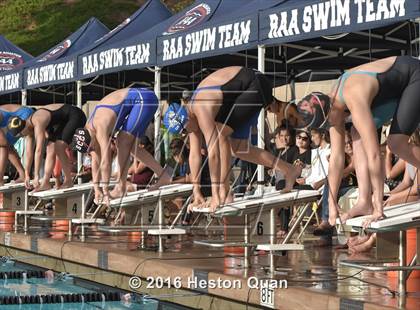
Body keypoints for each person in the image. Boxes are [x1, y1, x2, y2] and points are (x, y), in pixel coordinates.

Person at [295, 56, 420, 227]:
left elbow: (374, 154)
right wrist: (331, 205)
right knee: (356, 133)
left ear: (329, 109)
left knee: (396, 142)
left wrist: (378, 204)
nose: (331, 126)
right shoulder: (332, 105)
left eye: (327, 122)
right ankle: (364, 202)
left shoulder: (353, 95)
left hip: (413, 76)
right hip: (390, 90)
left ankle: (371, 203)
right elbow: (337, 159)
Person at [163, 66, 301, 211]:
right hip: (246, 89)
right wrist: (196, 191)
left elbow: (214, 154)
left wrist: (215, 195)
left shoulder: (201, 108)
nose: (185, 133)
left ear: (185, 117)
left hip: (255, 84)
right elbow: (194, 155)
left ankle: (225, 192)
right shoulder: (190, 117)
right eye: (182, 133)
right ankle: (289, 170)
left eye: (184, 130)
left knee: (221, 135)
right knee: (239, 149)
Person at [71, 88, 171, 205]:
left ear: (91, 139)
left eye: (91, 148)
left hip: (144, 99)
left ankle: (121, 187)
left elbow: (105, 162)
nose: (92, 151)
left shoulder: (100, 126)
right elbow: (96, 161)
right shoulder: (89, 131)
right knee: (131, 146)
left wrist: (105, 191)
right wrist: (97, 189)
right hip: (139, 102)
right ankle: (164, 176)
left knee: (122, 141)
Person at [8, 104, 86, 191]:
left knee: (59, 146)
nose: (22, 137)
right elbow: (29, 153)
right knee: (50, 148)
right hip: (64, 120)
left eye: (21, 134)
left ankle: (68, 181)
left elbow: (39, 150)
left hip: (75, 115)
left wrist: (36, 176)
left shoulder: (37, 121)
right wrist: (27, 175)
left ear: (23, 128)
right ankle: (46, 183)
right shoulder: (28, 129)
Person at [0, 104, 34, 185]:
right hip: (19, 117)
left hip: (24, 115)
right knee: (6, 145)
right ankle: (23, 175)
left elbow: (4, 142)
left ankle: (0, 178)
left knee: (3, 145)